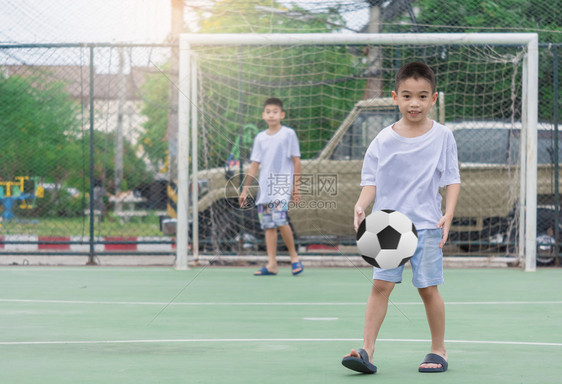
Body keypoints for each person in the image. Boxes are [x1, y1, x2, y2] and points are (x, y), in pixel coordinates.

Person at [341, 62, 461, 374]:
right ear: (395, 97)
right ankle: (366, 350)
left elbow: (452, 179)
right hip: (387, 226)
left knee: (428, 289)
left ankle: (438, 349)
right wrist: (361, 204)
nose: (414, 103)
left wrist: (448, 213)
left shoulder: (443, 136)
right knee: (380, 287)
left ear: (433, 99)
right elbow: (371, 181)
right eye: (407, 96)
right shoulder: (383, 139)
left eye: (422, 96)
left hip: (427, 225)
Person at [239, 97, 303, 276]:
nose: (271, 115)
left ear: (282, 115)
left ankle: (294, 258)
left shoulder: (288, 134)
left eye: (275, 112)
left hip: (281, 186)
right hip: (265, 189)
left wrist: (295, 188)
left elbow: (296, 161)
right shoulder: (260, 138)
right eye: (268, 112)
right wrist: (245, 190)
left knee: (280, 219)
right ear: (263, 115)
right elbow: (254, 165)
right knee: (268, 226)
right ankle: (272, 264)